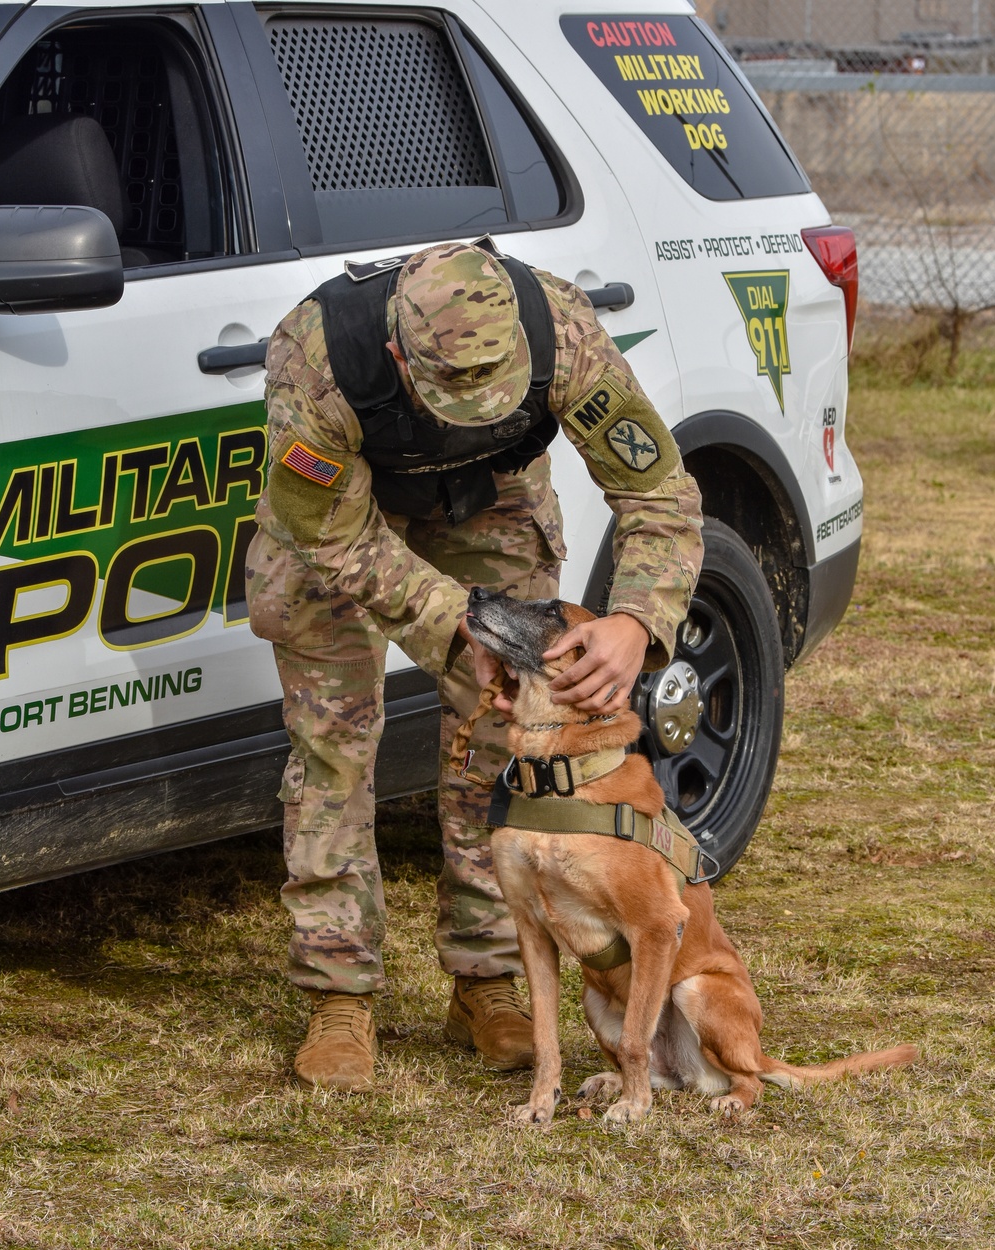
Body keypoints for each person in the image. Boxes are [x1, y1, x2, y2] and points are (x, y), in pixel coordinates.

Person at [246, 239, 704, 1091]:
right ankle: (339, 994)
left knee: (505, 742)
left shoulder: (562, 332)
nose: (472, 408)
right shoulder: (316, 358)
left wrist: (638, 619)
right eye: (451, 395)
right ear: (396, 354)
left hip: (487, 504)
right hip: (340, 527)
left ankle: (488, 979)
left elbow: (659, 494)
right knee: (333, 749)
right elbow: (333, 535)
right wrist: (458, 630)